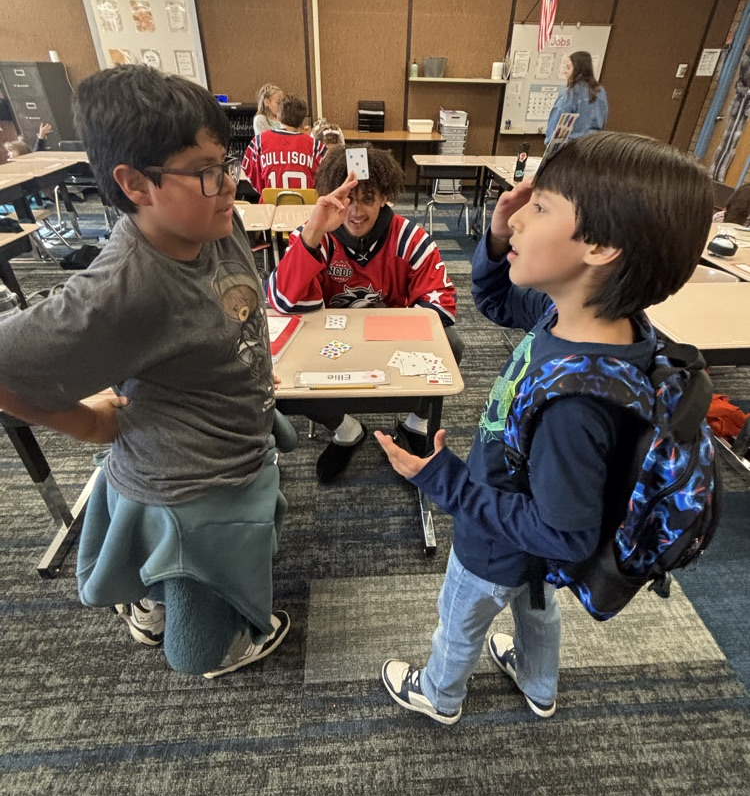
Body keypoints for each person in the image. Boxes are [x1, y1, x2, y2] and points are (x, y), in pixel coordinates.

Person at [375, 131, 713, 725]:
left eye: (539, 207)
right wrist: (497, 237)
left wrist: (446, 482)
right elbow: (496, 301)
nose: (516, 217)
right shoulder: (596, 321)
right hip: (535, 521)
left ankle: (440, 693)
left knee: (460, 615)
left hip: (497, 538)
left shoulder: (574, 408)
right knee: (537, 605)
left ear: (600, 246)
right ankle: (538, 683)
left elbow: (565, 536)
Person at [0, 64, 294, 678]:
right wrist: (85, 423)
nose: (229, 184)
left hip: (232, 446)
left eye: (227, 163)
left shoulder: (214, 222)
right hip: (187, 488)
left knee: (190, 583)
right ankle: (174, 605)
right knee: (198, 652)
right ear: (135, 183)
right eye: (206, 171)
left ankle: (152, 590)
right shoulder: (121, 290)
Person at [269, 144, 463, 483]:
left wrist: (377, 337)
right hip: (328, 348)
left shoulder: (410, 238)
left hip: (392, 346)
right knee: (278, 372)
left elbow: (440, 306)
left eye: (367, 198)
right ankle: (346, 429)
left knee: (451, 343)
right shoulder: (315, 235)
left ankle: (415, 423)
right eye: (347, 199)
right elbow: (283, 301)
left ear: (385, 196)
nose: (355, 211)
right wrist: (313, 232)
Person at [243, 94, 327, 198]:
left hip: (270, 205)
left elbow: (251, 176)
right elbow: (327, 180)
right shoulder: (316, 146)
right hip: (306, 206)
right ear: (303, 121)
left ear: (278, 116)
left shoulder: (259, 141)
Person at [544, 51, 608, 145]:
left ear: (577, 69)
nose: (565, 72)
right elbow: (603, 122)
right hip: (594, 146)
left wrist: (549, 142)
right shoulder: (600, 92)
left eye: (568, 67)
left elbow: (555, 132)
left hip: (572, 148)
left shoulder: (570, 94)